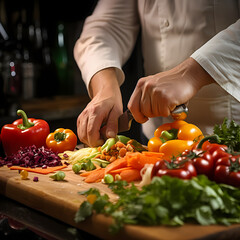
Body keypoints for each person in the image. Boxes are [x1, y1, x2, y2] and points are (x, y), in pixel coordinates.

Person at [74, 0, 240, 147]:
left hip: (228, 140)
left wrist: (192, 74)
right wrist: (105, 88)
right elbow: (107, 26)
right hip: (156, 141)